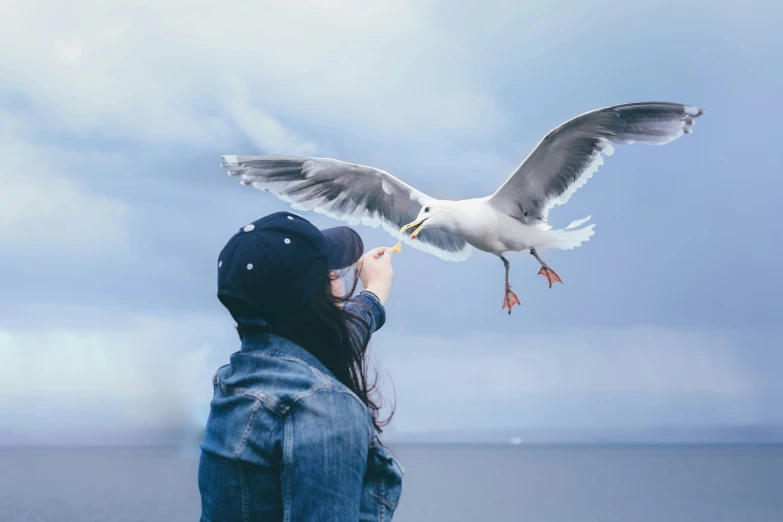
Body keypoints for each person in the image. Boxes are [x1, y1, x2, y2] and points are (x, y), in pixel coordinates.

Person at [198, 211, 403, 522]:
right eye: (330, 273)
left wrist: (374, 292)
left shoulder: (238, 380)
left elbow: (332, 341)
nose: (337, 277)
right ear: (314, 298)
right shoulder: (321, 407)